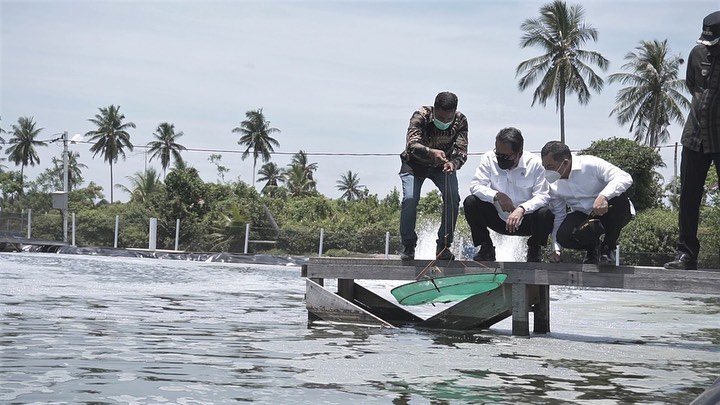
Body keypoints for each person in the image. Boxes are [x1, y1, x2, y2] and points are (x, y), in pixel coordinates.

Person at [665, 11, 720, 270]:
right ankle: (686, 254)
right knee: (688, 197)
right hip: (695, 136)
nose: (707, 45)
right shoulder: (697, 54)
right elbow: (692, 85)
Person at [463, 127, 554, 262]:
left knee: (546, 213)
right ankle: (486, 248)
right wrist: (497, 195)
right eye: (498, 154)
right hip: (499, 219)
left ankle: (534, 250)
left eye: (505, 156)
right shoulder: (489, 158)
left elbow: (543, 196)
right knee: (471, 202)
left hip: (527, 222)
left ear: (519, 153)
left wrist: (522, 209)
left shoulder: (535, 164)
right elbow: (475, 186)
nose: (500, 159)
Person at [399, 91, 468, 261]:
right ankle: (408, 245)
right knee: (410, 199)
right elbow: (412, 144)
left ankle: (443, 246)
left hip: (442, 166)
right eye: (441, 118)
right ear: (435, 109)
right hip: (414, 164)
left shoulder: (461, 121)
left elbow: (462, 152)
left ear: (454, 112)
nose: (444, 122)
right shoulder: (420, 116)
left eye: (448, 119)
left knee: (453, 198)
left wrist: (453, 164)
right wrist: (431, 152)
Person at [540, 141, 634, 265]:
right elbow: (559, 215)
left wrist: (604, 196)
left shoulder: (591, 164)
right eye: (544, 167)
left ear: (566, 163)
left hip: (611, 213)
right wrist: (556, 249)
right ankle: (592, 248)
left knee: (619, 200)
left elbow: (625, 177)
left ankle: (608, 249)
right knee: (563, 236)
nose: (546, 172)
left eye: (550, 167)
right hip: (585, 217)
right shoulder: (552, 184)